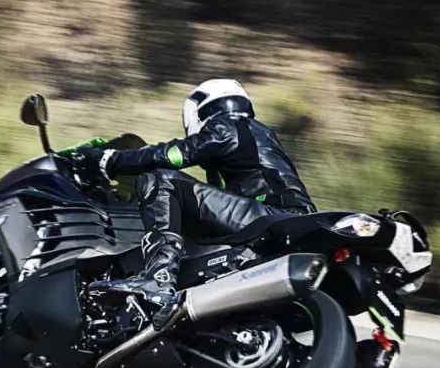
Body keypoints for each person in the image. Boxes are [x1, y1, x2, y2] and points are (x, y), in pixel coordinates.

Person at [75, 78, 316, 307]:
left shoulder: (228, 126)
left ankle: (159, 278)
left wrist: (109, 160)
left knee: (161, 179)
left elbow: (173, 155)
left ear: (200, 110)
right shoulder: (262, 134)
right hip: (289, 218)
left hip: (268, 215)